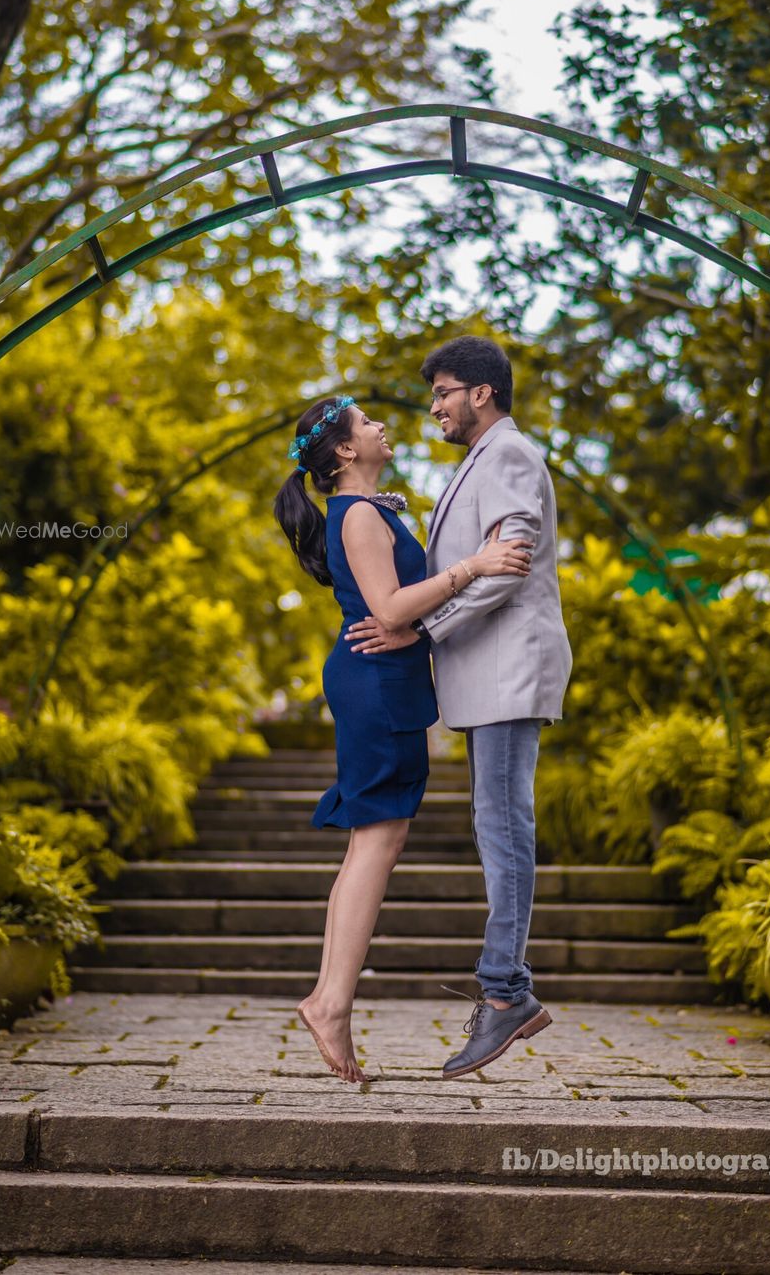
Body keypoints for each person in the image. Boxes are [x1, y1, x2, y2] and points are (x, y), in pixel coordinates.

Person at [273, 393, 533, 1083]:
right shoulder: (357, 515)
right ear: (346, 451)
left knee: (372, 842)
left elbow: (392, 599)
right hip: (377, 684)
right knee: (377, 844)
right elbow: (388, 607)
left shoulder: (364, 509)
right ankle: (330, 1001)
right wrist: (474, 565)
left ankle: (329, 1000)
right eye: (367, 423)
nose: (382, 425)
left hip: (380, 680)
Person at [346, 337, 572, 1079]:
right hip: (488, 676)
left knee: (503, 826)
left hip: (508, 669)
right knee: (496, 824)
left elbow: (509, 562)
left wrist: (421, 626)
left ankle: (506, 992)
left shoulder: (507, 454)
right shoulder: (479, 463)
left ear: (481, 392)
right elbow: (478, 556)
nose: (434, 406)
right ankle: (507, 988)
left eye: (443, 391)